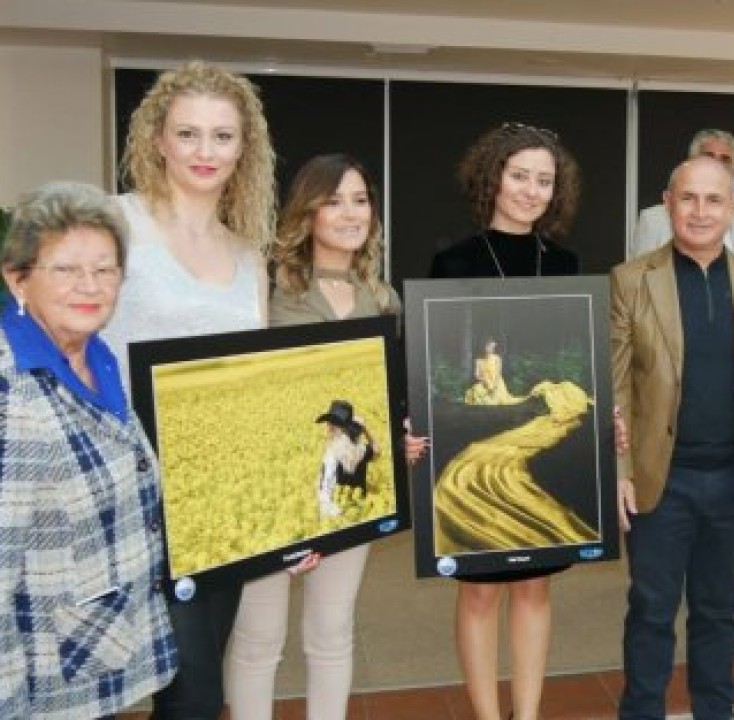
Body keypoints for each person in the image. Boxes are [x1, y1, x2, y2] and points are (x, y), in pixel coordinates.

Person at [223, 152, 427, 720]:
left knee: (333, 630)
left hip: (348, 486)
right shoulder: (266, 286)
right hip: (273, 485)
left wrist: (397, 438)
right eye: (334, 201)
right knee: (259, 636)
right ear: (307, 211)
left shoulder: (382, 297)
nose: (350, 213)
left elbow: (384, 397)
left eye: (360, 200)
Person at [102, 59, 276, 719]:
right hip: (134, 496)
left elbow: (255, 387)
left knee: (196, 693)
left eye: (222, 136)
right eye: (189, 133)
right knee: (189, 693)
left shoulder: (248, 256)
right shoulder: (115, 225)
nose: (206, 151)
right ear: (158, 140)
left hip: (219, 501)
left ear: (243, 148)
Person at [613, 156, 734, 720]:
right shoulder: (630, 280)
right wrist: (618, 472)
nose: (700, 211)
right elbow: (615, 388)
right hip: (659, 482)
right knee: (651, 610)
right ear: (668, 204)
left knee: (719, 611)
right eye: (687, 197)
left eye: (714, 200)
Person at [0, 181, 177, 719]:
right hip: (41, 688)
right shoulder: (11, 395)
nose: (90, 286)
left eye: (105, 269)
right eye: (66, 269)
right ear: (18, 278)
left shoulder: (96, 356)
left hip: (91, 660)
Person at [428, 122, 580, 720]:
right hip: (470, 417)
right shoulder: (452, 263)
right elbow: (434, 358)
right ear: (493, 178)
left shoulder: (565, 265)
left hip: (539, 412)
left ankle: (529, 712)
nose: (530, 191)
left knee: (535, 588)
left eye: (544, 181)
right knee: (479, 592)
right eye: (520, 176)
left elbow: (579, 351)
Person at [629, 129, 734, 262]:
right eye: (709, 156)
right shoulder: (652, 219)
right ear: (690, 162)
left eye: (725, 159)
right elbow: (640, 273)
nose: (716, 164)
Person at [464, 338, 522, 405]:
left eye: (492, 348)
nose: (490, 349)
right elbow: (476, 375)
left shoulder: (497, 358)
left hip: (496, 382)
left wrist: (494, 385)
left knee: (496, 396)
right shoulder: (479, 361)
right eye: (488, 347)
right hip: (484, 382)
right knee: (476, 390)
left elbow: (498, 373)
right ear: (484, 347)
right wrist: (484, 380)